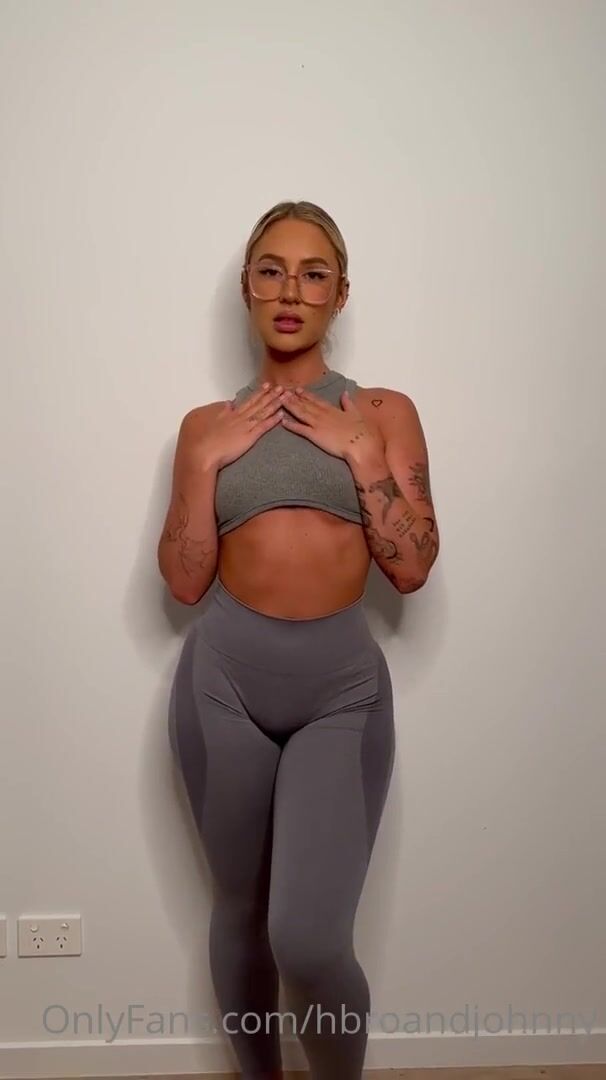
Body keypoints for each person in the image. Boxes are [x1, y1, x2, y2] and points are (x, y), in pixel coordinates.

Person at [158, 200, 440, 1080]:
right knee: (240, 914)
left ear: (340, 293)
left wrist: (364, 457)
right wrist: (202, 464)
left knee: (310, 939)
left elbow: (413, 567)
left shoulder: (382, 411)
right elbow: (183, 582)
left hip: (339, 694)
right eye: (271, 271)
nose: (290, 291)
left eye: (313, 274)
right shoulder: (205, 425)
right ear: (247, 288)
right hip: (222, 687)